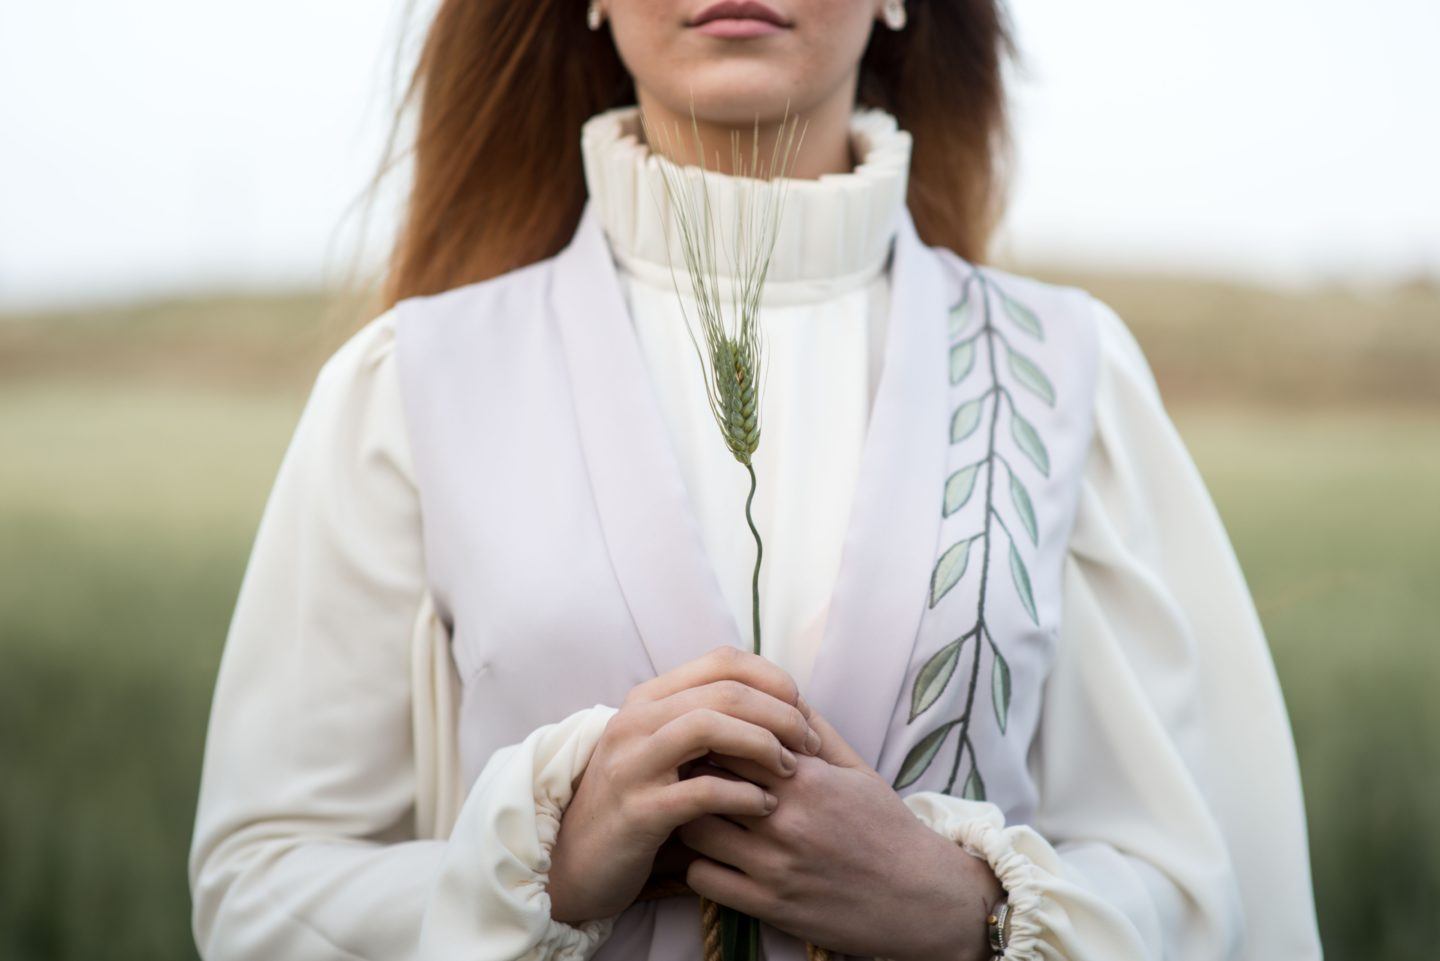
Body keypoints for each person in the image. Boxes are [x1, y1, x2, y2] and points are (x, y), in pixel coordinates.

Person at [187, 1, 1323, 959]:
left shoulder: (1067, 376)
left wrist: (962, 908)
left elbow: (1210, 887)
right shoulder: (411, 382)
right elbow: (259, 887)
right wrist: (553, 863)